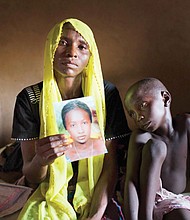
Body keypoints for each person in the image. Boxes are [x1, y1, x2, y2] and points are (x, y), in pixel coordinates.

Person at [11, 18, 130, 219]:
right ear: (50, 47)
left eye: (82, 46)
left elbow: (110, 165)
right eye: (63, 42)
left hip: (97, 190)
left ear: (91, 56)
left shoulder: (106, 94)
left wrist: (96, 214)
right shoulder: (30, 98)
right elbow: (32, 176)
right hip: (51, 190)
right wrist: (41, 159)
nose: (71, 52)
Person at [123, 77, 190, 220]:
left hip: (181, 200)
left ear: (165, 98)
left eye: (143, 105)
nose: (138, 117)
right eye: (132, 114)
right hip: (154, 202)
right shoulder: (142, 137)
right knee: (156, 147)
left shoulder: (186, 125)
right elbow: (131, 181)